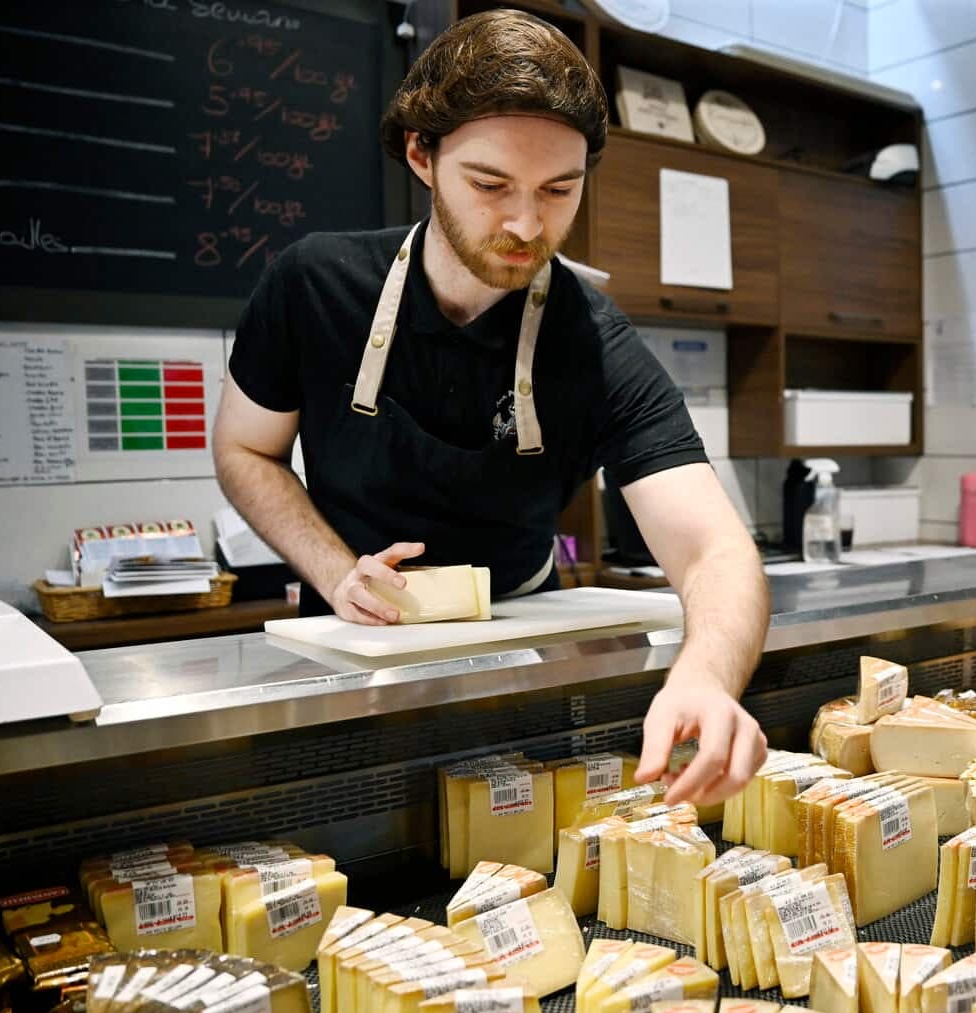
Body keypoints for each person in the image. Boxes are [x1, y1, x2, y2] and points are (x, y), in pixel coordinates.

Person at [213, 8, 769, 806]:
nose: (525, 223)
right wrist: (338, 576)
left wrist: (708, 677)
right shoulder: (314, 286)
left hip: (520, 659)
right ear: (422, 155)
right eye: (490, 184)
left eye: (558, 190)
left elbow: (717, 551)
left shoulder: (592, 339)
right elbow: (244, 450)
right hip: (348, 643)